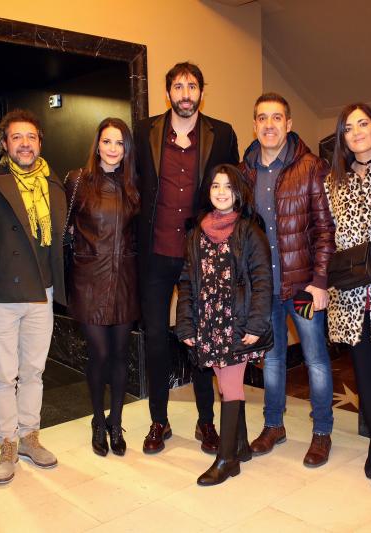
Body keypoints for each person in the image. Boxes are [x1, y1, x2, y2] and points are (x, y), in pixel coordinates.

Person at [135, 62, 240, 454]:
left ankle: (206, 422)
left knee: (202, 339)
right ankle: (158, 421)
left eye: (192, 86)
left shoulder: (222, 134)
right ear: (167, 93)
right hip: (156, 254)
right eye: (178, 86)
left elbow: (233, 191)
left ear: (201, 92)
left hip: (201, 256)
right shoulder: (145, 131)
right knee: (156, 339)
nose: (185, 93)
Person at [240, 92, 336, 467]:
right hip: (266, 290)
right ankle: (273, 425)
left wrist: (320, 280)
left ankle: (323, 431)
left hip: (303, 288)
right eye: (262, 118)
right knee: (274, 361)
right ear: (254, 124)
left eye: (276, 118)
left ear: (289, 124)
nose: (269, 125)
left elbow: (325, 228)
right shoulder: (244, 171)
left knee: (315, 360)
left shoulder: (311, 166)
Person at [0, 109, 65, 484]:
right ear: (5, 143)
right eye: (17, 137)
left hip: (41, 291)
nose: (25, 144)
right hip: (0, 293)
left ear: (39, 142)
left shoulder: (54, 183)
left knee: (34, 371)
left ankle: (30, 436)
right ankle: (7, 442)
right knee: (3, 374)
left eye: (31, 137)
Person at [176, 164, 272, 486]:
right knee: (225, 385)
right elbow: (187, 283)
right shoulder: (196, 234)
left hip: (238, 322)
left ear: (238, 193)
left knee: (230, 387)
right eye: (215, 186)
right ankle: (240, 445)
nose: (220, 192)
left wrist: (257, 324)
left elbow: (262, 281)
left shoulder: (249, 231)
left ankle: (227, 459)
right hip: (207, 323)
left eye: (227, 187)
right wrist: (186, 325)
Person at [324, 103, 371, 485]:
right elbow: (326, 235)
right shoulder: (333, 181)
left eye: (363, 124)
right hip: (352, 290)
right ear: (342, 137)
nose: (356, 132)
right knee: (363, 368)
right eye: (348, 127)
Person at [66, 118, 140, 457]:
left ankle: (116, 421)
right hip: (90, 280)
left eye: (119, 143)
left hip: (123, 279)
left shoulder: (134, 186)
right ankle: (97, 420)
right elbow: (65, 231)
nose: (113, 149)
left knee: (121, 356)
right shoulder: (77, 181)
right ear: (97, 145)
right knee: (100, 354)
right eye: (107, 142)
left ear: (126, 150)